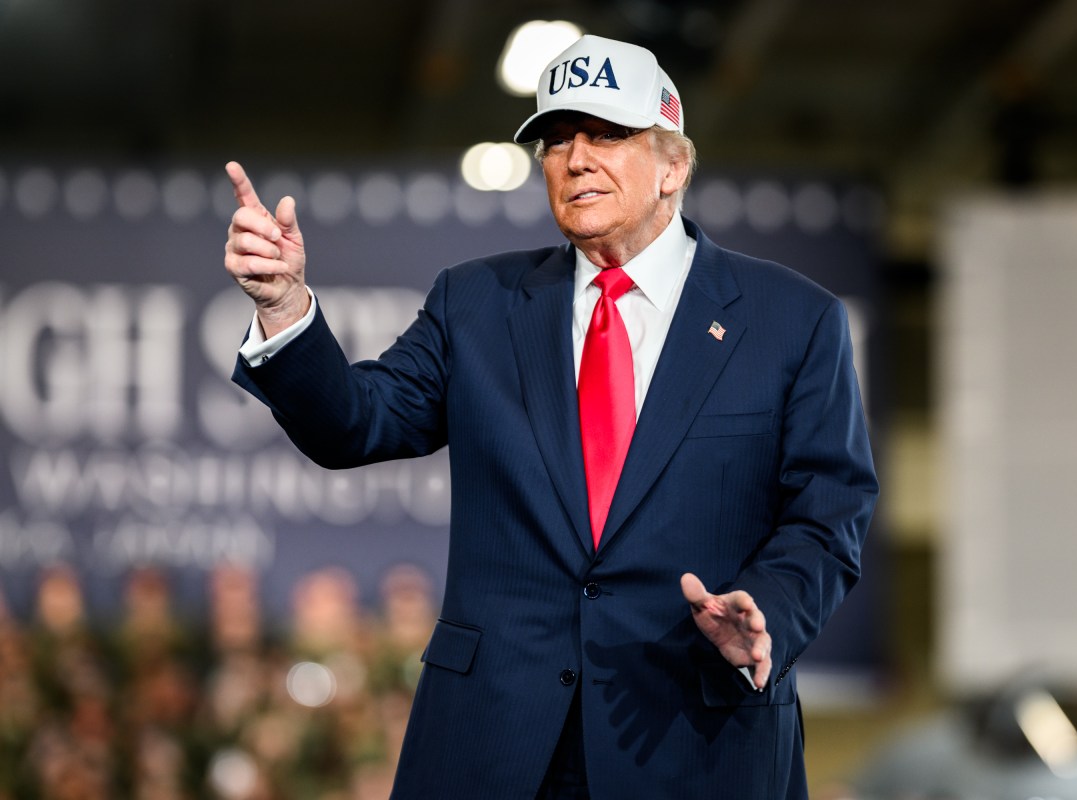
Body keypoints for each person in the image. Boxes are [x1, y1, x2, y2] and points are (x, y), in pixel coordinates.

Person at [223, 33, 877, 800]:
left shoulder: (791, 320)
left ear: (674, 165)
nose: (575, 158)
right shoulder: (476, 304)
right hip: (492, 745)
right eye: (556, 140)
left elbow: (828, 516)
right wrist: (285, 306)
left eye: (606, 134)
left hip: (693, 739)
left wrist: (768, 610)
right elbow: (354, 423)